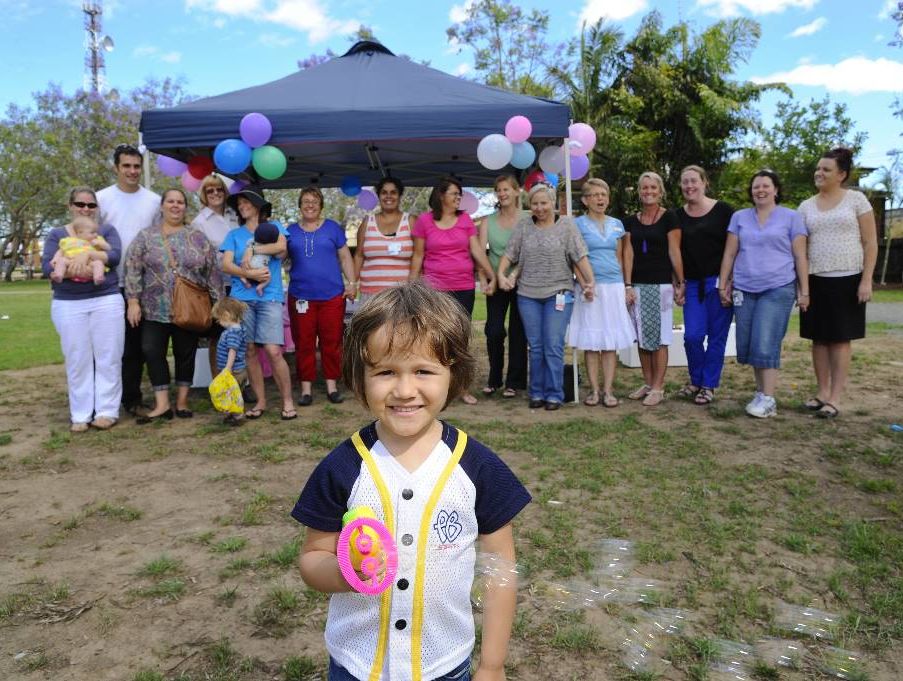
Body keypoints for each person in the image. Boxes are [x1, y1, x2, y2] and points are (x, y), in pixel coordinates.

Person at [292, 281, 530, 681]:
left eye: (423, 370)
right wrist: (348, 573)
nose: (404, 390)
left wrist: (492, 664)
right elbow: (312, 559)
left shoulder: (478, 468)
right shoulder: (343, 467)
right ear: (359, 375)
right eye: (385, 372)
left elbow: (500, 571)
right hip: (356, 665)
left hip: (444, 664)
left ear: (452, 373)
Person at [125, 188, 222, 423]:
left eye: (180, 202)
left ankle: (182, 402)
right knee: (151, 350)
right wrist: (133, 301)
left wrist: (218, 303)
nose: (175, 206)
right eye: (171, 201)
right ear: (162, 206)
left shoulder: (197, 237)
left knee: (185, 354)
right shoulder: (146, 236)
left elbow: (212, 271)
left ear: (185, 207)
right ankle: (162, 404)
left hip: (189, 307)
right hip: (153, 308)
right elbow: (133, 268)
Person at [718, 170, 809, 418]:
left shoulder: (792, 217)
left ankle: (768, 398)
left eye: (765, 186)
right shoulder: (740, 217)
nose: (760, 190)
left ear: (776, 189)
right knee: (749, 342)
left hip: (778, 286)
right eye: (756, 186)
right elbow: (729, 253)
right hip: (744, 288)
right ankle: (761, 393)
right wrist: (722, 284)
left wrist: (805, 291)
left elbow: (800, 256)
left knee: (765, 339)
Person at [497, 183, 596, 411]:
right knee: (536, 346)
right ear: (529, 205)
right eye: (535, 203)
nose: (539, 208)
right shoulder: (524, 226)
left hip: (559, 293)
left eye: (544, 203)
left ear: (553, 203)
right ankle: (537, 392)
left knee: (553, 344)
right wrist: (501, 275)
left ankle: (554, 394)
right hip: (527, 295)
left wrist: (590, 282)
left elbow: (580, 256)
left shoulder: (567, 226)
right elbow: (510, 254)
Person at [798, 148, 878, 419]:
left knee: (840, 339)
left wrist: (866, 280)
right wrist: (803, 287)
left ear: (842, 174)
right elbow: (801, 249)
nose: (819, 173)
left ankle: (835, 397)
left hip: (849, 278)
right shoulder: (806, 206)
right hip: (815, 280)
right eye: (818, 169)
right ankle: (821, 393)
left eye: (826, 169)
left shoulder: (857, 200)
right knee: (818, 339)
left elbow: (870, 243)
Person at [42, 187, 125, 432]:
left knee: (108, 357)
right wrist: (75, 269)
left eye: (91, 205)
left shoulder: (105, 231)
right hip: (68, 303)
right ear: (70, 206)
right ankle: (80, 414)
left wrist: (89, 255)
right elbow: (49, 267)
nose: (85, 209)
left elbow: (115, 256)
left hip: (105, 299)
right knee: (77, 359)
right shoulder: (57, 235)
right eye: (80, 204)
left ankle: (107, 411)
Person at [410, 177, 497, 405]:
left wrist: (492, 275)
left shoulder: (465, 220)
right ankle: (435, 387)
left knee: (460, 339)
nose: (458, 197)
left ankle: (461, 388)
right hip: (435, 291)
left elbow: (477, 250)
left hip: (463, 288)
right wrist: (410, 287)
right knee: (435, 339)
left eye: (460, 194)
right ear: (441, 195)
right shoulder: (424, 221)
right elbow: (418, 256)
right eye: (454, 193)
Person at [97, 144, 161, 417]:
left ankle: (134, 398)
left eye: (137, 166)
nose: (133, 171)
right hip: (110, 283)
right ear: (116, 167)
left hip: (147, 284)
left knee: (143, 345)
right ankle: (108, 400)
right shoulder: (101, 199)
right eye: (127, 166)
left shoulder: (154, 201)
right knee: (116, 347)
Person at [221, 187, 296, 421]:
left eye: (246, 202)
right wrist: (251, 275)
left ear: (257, 206)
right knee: (251, 351)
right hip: (242, 300)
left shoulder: (274, 228)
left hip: (269, 297)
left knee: (274, 351)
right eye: (239, 203)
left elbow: (281, 248)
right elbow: (226, 265)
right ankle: (261, 401)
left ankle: (287, 402)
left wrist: (253, 248)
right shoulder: (234, 234)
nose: (242, 206)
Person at [567, 179, 636, 408]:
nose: (600, 199)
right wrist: (585, 283)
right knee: (591, 340)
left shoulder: (617, 224)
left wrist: (626, 285)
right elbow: (574, 256)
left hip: (614, 287)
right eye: (595, 195)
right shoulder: (577, 224)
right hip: (589, 289)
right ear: (585, 200)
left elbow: (621, 256)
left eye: (603, 194)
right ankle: (594, 391)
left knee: (609, 341)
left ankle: (608, 390)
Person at [286, 186, 357, 406]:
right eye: (305, 201)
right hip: (301, 297)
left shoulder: (332, 228)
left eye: (314, 201)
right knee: (304, 342)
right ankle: (306, 388)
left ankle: (331, 386)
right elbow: (278, 255)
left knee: (331, 342)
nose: (310, 205)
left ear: (321, 206)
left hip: (332, 297)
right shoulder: (290, 231)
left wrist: (352, 283)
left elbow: (345, 258)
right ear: (299, 205)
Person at [622, 171, 685, 407]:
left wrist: (680, 282)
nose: (648, 192)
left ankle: (659, 387)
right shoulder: (629, 221)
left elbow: (674, 251)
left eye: (653, 188)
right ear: (639, 191)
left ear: (660, 191)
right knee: (641, 336)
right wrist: (627, 284)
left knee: (659, 339)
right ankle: (648, 383)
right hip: (637, 285)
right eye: (644, 188)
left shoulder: (670, 218)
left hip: (661, 286)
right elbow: (627, 255)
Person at [675, 165, 735, 405]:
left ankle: (708, 385)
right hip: (692, 285)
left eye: (694, 181)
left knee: (717, 338)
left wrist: (729, 281)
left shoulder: (724, 211)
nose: (690, 186)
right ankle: (696, 380)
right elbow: (675, 252)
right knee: (692, 336)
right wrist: (677, 282)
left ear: (704, 182)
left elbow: (735, 249)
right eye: (685, 182)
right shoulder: (677, 216)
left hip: (720, 282)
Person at [478, 174, 527, 399]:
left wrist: (514, 275)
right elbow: (481, 254)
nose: (502, 193)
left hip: (524, 282)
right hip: (495, 282)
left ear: (517, 192)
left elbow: (529, 252)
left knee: (519, 332)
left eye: (506, 189)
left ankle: (514, 382)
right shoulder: (488, 221)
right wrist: (486, 280)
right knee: (494, 330)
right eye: (499, 189)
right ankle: (494, 378)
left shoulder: (528, 218)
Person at [191, 174, 239, 378]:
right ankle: (219, 385)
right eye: (210, 190)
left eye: (219, 189)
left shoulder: (235, 215)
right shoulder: (199, 222)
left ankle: (239, 384)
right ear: (204, 194)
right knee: (219, 338)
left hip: (240, 283)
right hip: (216, 287)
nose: (215, 193)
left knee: (238, 336)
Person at [352, 177, 414, 302]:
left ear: (400, 195)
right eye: (384, 192)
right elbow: (358, 256)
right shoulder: (367, 222)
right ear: (379, 196)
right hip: (370, 295)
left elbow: (418, 256)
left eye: (393, 192)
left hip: (402, 295)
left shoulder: (411, 221)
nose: (388, 196)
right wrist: (352, 284)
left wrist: (414, 288)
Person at [211, 297, 249, 426]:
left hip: (234, 370)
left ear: (226, 315)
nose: (219, 322)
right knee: (235, 392)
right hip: (239, 368)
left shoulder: (232, 332)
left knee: (232, 392)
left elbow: (232, 350)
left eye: (219, 319)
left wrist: (228, 367)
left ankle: (237, 416)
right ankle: (232, 414)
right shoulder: (240, 329)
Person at [50, 216, 110, 285]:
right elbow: (61, 250)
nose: (96, 234)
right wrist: (55, 259)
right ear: (80, 233)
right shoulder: (69, 241)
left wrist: (101, 244)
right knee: (62, 261)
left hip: (89, 264)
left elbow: (108, 249)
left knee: (98, 263)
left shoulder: (97, 241)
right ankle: (58, 275)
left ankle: (98, 278)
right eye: (92, 232)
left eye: (96, 232)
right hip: (71, 263)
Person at [245, 221, 281, 296]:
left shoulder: (252, 242)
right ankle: (260, 287)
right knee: (268, 278)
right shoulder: (270, 247)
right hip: (261, 268)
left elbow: (248, 245)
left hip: (250, 265)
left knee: (242, 269)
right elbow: (278, 254)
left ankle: (245, 281)